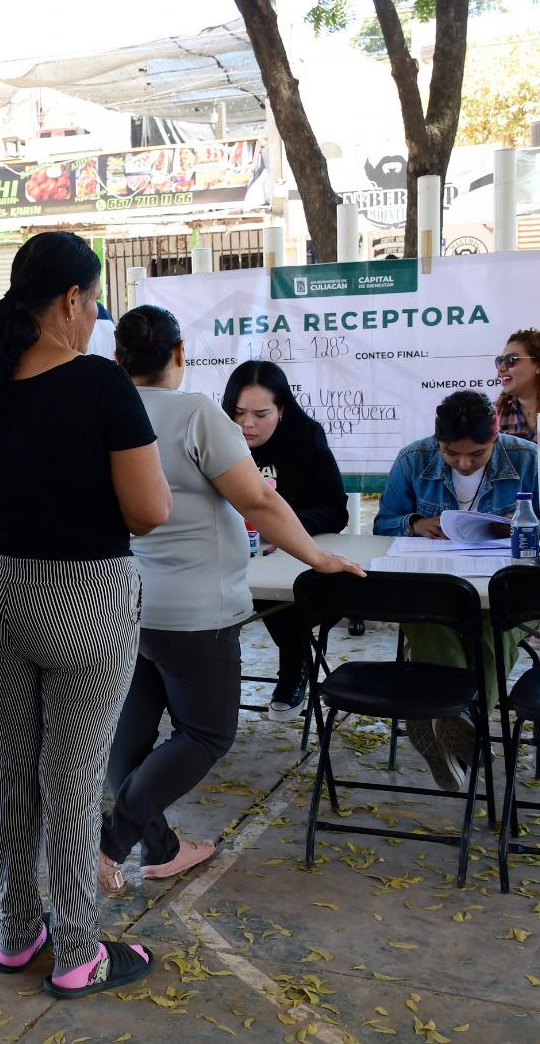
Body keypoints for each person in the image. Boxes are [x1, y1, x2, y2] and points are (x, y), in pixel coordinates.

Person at [0, 230, 170, 1000]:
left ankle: (19, 934)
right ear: (70, 300)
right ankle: (78, 951)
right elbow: (148, 510)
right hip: (86, 596)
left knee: (13, 767)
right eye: (92, 302)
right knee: (73, 775)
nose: (94, 317)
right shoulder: (101, 385)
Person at [99, 307, 363, 892]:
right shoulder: (195, 413)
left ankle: (162, 847)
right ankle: (110, 842)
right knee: (207, 733)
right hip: (196, 610)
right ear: (179, 354)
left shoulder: (101, 411)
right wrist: (320, 560)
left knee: (133, 733)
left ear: (119, 359)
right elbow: (260, 503)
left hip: (123, 602)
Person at [374, 390, 539, 792]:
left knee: (491, 624)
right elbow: (384, 523)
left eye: (477, 454)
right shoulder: (414, 458)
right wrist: (413, 523)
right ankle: (467, 732)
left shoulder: (528, 459)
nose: (463, 463)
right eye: (451, 454)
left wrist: (520, 529)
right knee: (427, 613)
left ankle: (443, 719)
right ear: (437, 441)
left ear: (496, 437)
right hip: (436, 585)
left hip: (508, 587)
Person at [223, 360, 349, 718]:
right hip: (230, 551)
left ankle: (293, 669)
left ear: (282, 410)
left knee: (280, 596)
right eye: (238, 412)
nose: (247, 424)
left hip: (289, 555)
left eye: (261, 414)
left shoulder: (306, 437)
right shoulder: (217, 437)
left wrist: (283, 528)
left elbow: (336, 510)